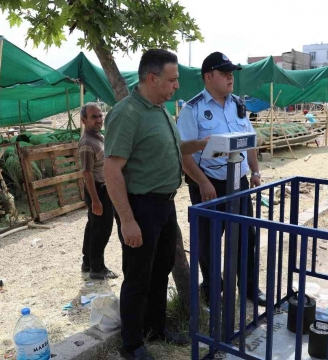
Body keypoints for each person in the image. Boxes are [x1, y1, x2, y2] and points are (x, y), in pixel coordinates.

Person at [103, 49, 209, 360]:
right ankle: (132, 345)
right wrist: (126, 220)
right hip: (141, 207)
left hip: (164, 205)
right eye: (172, 80)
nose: (177, 85)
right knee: (137, 277)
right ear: (152, 78)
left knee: (160, 269)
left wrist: (201, 145)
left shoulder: (161, 109)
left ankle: (155, 328)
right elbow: (112, 169)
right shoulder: (127, 114)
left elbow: (174, 149)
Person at [176, 51, 267, 308]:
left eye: (232, 73)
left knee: (245, 236)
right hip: (209, 184)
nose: (230, 78)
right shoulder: (192, 110)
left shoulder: (238, 104)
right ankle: (213, 291)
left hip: (238, 183)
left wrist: (255, 172)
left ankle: (248, 288)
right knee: (209, 242)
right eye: (224, 73)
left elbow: (249, 141)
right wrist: (202, 182)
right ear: (208, 77)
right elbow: (184, 153)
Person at [78, 103, 118, 280]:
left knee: (93, 226)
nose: (99, 120)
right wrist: (95, 200)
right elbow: (87, 173)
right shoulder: (87, 143)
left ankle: (88, 262)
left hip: (102, 188)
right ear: (84, 120)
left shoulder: (97, 137)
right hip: (98, 190)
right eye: (94, 117)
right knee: (102, 229)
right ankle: (97, 268)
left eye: (100, 116)